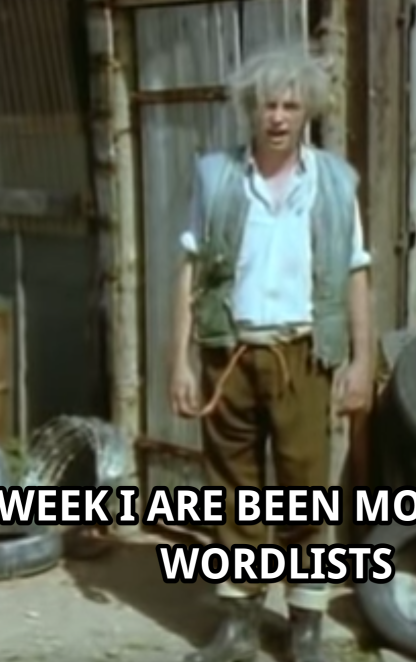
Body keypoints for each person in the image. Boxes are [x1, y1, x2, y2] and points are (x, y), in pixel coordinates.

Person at [169, 43, 374, 662]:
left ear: (307, 110)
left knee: (305, 489)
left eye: (290, 105)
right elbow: (191, 269)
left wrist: (362, 360)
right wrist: (179, 361)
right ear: (249, 110)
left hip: (302, 356)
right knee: (233, 490)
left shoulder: (335, 182)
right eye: (267, 105)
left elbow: (355, 272)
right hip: (228, 352)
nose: (278, 117)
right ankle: (239, 623)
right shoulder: (216, 176)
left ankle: (305, 622)